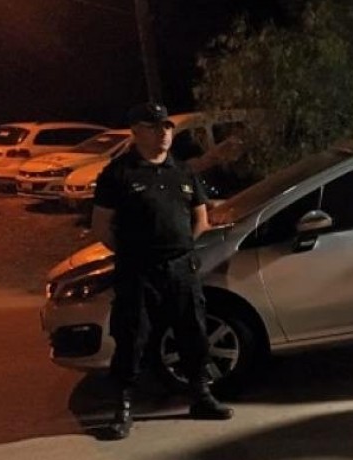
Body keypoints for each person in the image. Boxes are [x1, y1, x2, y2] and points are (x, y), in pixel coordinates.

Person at [91, 102, 233, 440]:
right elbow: (101, 226)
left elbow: (200, 219)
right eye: (154, 127)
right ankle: (123, 408)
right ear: (136, 132)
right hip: (138, 271)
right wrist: (135, 253)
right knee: (132, 337)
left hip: (180, 268)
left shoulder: (182, 171)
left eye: (166, 127)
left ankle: (201, 396)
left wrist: (180, 249)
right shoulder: (118, 174)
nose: (163, 133)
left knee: (193, 332)